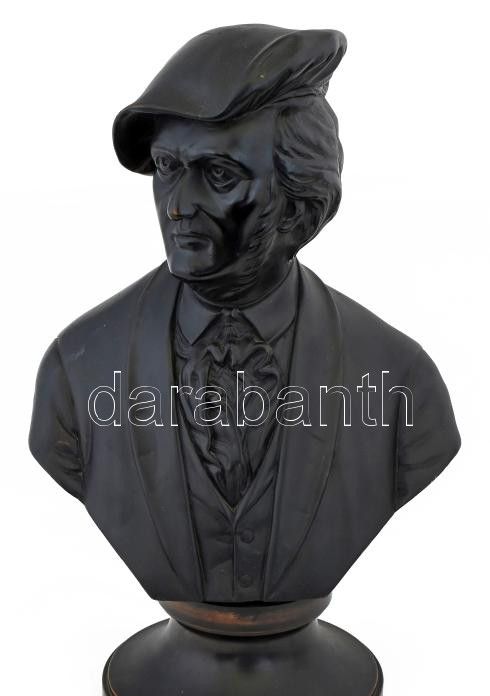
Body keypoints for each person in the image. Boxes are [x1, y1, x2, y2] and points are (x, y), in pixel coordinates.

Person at [29, 25, 460, 602]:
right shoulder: (76, 370)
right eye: (167, 167)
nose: (177, 206)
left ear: (300, 210)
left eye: (220, 175)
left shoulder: (401, 383)